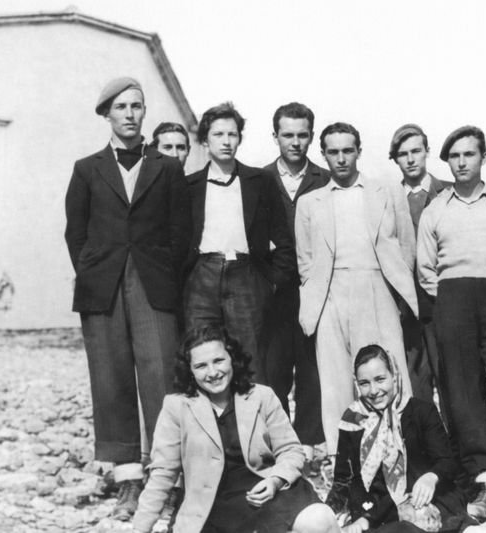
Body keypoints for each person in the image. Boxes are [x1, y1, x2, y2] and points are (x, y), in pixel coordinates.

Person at [64, 77, 189, 520]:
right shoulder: (87, 168)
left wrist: (163, 274)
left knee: (162, 380)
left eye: (137, 106)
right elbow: (75, 233)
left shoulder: (166, 168)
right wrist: (96, 271)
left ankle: (167, 479)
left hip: (154, 285)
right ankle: (128, 481)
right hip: (103, 288)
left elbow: (180, 233)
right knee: (111, 380)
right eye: (121, 107)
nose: (130, 114)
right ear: (107, 114)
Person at [416, 125, 486, 520]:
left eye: (469, 154)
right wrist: (451, 299)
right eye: (455, 156)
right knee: (463, 392)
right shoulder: (436, 210)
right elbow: (426, 270)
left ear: (483, 158)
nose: (462, 162)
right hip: (452, 298)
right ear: (447, 162)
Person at [132, 325, 340, 533]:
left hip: (267, 495)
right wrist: (140, 528)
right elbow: (163, 473)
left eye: (218, 361)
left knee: (320, 521)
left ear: (232, 358)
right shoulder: (176, 407)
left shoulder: (262, 396)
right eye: (201, 366)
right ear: (190, 371)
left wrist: (275, 480)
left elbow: (290, 450)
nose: (213, 372)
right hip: (212, 507)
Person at [295, 122, 418, 457]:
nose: (341, 159)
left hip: (377, 287)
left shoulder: (386, 192)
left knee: (386, 373)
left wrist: (396, 292)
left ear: (359, 151)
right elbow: (306, 261)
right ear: (323, 154)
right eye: (333, 152)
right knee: (336, 382)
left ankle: (397, 453)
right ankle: (343, 462)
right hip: (330, 293)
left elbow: (405, 247)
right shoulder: (310, 202)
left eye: (348, 151)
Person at [183, 102, 295, 384]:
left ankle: (252, 414)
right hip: (201, 278)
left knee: (250, 361)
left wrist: (271, 282)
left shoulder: (260, 181)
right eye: (218, 134)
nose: (226, 141)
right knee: (203, 356)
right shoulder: (189, 186)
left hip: (246, 277)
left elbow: (283, 238)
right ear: (205, 140)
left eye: (232, 134)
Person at [326, 345, 486, 533]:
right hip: (381, 509)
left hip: (429, 499)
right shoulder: (353, 421)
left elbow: (446, 461)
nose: (374, 390)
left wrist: (431, 477)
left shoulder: (420, 411)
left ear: (394, 375)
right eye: (364, 383)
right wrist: (357, 516)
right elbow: (346, 478)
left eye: (380, 379)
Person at [261, 102, 330, 460]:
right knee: (273, 369)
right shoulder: (258, 180)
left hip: (313, 288)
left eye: (302, 135)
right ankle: (281, 445)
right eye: (287, 135)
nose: (295, 142)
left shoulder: (325, 179)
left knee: (312, 368)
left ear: (312, 137)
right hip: (273, 291)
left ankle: (309, 444)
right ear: (275, 136)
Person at [389, 124, 451, 406]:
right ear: (395, 159)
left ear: (427, 151)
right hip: (406, 307)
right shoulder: (387, 198)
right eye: (403, 154)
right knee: (415, 385)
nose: (411, 159)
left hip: (442, 301)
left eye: (416, 151)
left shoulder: (448, 193)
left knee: (451, 380)